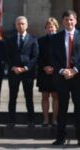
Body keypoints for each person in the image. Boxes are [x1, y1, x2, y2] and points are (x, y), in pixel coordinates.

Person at [50, 10, 80, 146]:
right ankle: (60, 137)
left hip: (77, 77)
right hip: (62, 78)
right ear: (62, 21)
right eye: (67, 19)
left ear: (76, 21)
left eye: (72, 19)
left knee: (79, 108)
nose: (69, 22)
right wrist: (63, 70)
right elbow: (53, 58)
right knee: (62, 108)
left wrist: (74, 70)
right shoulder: (56, 37)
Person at [6, 16, 39, 128]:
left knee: (29, 97)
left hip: (27, 73)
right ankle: (11, 120)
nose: (21, 25)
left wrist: (26, 68)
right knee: (12, 97)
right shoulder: (10, 40)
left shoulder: (33, 39)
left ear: (27, 25)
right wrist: (13, 67)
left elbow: (35, 57)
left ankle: (31, 120)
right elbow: (7, 56)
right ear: (15, 25)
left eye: (23, 23)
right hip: (14, 72)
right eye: (19, 24)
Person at [36, 17, 59, 127]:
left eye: (52, 26)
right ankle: (45, 120)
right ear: (46, 28)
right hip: (43, 72)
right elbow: (38, 56)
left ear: (56, 27)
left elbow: (62, 57)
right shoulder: (40, 40)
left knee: (55, 96)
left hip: (56, 72)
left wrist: (55, 68)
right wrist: (45, 67)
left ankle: (54, 120)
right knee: (45, 96)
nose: (51, 28)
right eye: (49, 27)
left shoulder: (61, 39)